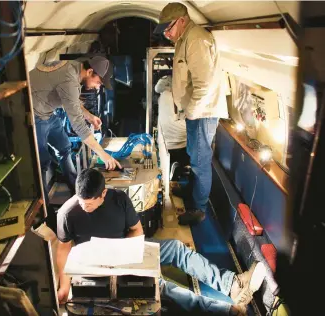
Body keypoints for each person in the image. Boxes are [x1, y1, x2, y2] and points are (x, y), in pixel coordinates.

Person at [56, 169, 266, 316]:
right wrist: (64, 285)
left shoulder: (119, 199)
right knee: (159, 284)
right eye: (81, 202)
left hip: (127, 249)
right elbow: (64, 248)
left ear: (103, 193)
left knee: (176, 249)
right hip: (97, 265)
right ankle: (226, 311)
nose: (84, 207)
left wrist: (129, 253)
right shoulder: (67, 212)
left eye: (90, 204)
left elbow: (136, 230)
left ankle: (232, 285)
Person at [154, 3, 229, 225]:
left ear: (182, 20)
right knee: (193, 153)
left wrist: (193, 113)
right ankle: (193, 195)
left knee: (200, 160)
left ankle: (199, 209)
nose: (166, 34)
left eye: (169, 28)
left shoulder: (196, 40)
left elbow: (204, 84)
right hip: (194, 111)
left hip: (202, 112)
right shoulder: (183, 40)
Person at [29, 56, 121, 202]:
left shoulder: (74, 68)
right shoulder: (69, 79)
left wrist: (89, 116)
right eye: (98, 82)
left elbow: (71, 100)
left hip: (48, 112)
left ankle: (76, 189)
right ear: (90, 71)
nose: (98, 87)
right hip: (35, 115)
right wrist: (103, 154)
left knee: (64, 147)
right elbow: (78, 125)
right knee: (42, 163)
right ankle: (45, 210)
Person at [155, 75, 190, 180]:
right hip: (181, 142)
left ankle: (175, 170)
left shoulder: (162, 97)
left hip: (166, 143)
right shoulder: (177, 96)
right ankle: (182, 168)